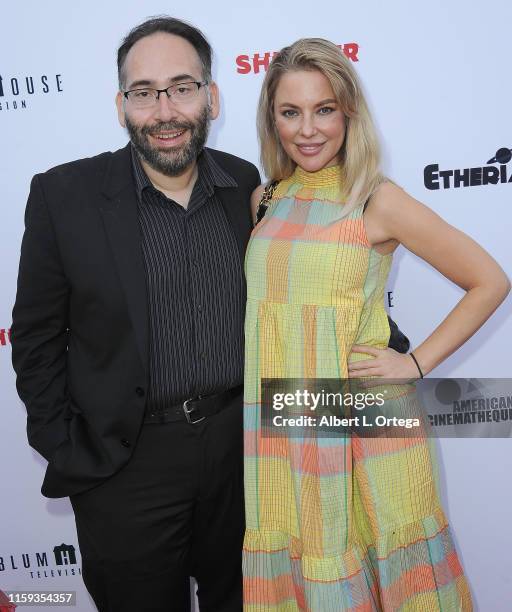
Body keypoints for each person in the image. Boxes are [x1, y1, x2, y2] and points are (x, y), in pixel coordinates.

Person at [242, 38, 510, 611]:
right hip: (285, 420)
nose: (308, 129)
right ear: (272, 118)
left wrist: (414, 364)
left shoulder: (375, 199)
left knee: (384, 562)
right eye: (291, 112)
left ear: (349, 113)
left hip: (364, 416)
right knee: (309, 550)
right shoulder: (265, 200)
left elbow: (490, 280)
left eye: (325, 109)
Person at [10, 16, 260, 612]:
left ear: (212, 96)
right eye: (144, 92)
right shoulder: (62, 196)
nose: (164, 110)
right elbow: (36, 337)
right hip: (126, 467)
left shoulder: (245, 186)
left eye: (181, 87)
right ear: (121, 105)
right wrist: (68, 448)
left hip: (242, 459)